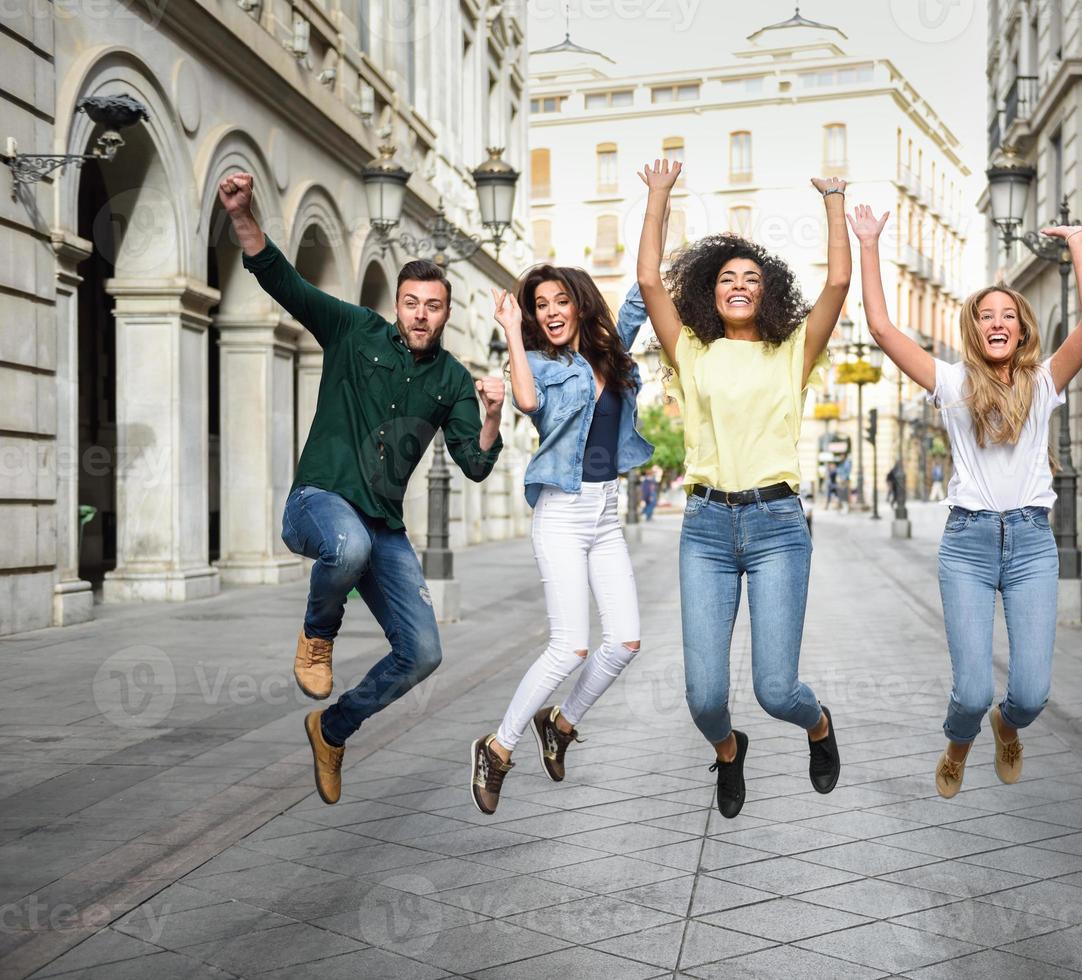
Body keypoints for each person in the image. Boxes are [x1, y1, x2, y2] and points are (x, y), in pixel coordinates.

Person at [219, 172, 505, 806]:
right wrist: (243, 213)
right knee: (346, 547)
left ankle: (333, 728)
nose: (420, 314)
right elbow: (281, 279)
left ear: (447, 312)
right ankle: (317, 636)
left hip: (382, 526)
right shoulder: (354, 331)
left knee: (424, 653)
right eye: (411, 302)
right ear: (398, 304)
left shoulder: (455, 380)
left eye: (433, 305)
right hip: (319, 503)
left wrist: (490, 414)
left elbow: (476, 465)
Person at [847, 204, 1082, 799]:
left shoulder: (1044, 383)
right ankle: (959, 742)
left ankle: (1005, 729)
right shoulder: (951, 383)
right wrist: (868, 242)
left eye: (1007, 315)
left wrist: (1079, 244)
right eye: (985, 315)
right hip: (967, 544)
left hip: (1033, 546)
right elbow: (884, 329)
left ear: (1021, 329)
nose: (996, 322)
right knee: (970, 691)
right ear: (974, 328)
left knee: (1032, 692)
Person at [636, 157, 848, 818]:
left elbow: (839, 282)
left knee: (776, 689)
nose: (737, 284)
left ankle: (817, 727)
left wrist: (834, 200)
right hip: (703, 528)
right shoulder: (691, 352)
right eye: (727, 277)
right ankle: (729, 751)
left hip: (777, 526)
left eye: (750, 278)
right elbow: (647, 278)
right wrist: (661, 196)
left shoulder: (791, 354)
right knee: (703, 697)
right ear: (709, 289)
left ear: (767, 293)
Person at [468, 268, 655, 815]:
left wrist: (659, 200)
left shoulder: (610, 351)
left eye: (560, 301)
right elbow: (526, 403)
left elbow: (643, 286)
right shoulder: (539, 364)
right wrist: (509, 327)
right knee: (569, 645)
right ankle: (498, 747)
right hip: (562, 515)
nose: (550, 311)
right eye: (539, 305)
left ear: (579, 305)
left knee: (624, 642)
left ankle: (561, 722)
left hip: (606, 514)